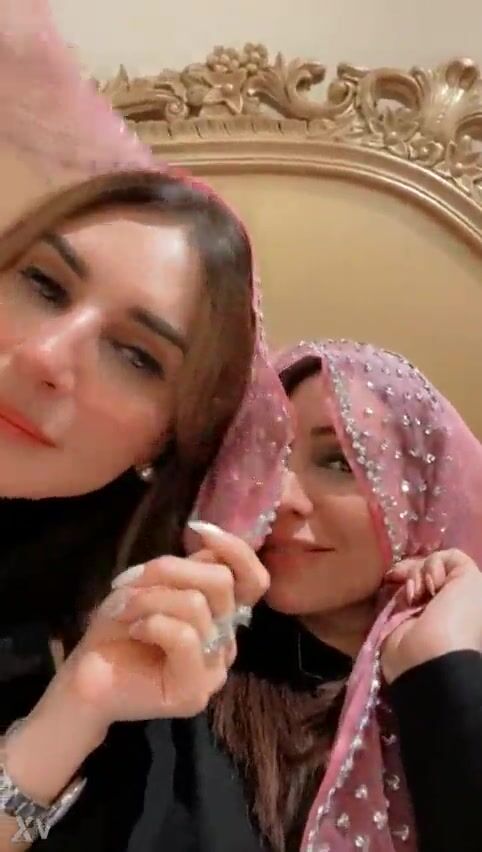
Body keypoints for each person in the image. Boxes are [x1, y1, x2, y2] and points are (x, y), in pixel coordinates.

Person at [0, 3, 290, 850]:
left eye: (135, 355)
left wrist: (71, 714)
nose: (48, 356)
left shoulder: (134, 709)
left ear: (163, 443)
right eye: (43, 285)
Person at [210, 339, 482, 852]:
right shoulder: (197, 676)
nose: (281, 497)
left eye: (339, 461)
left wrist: (440, 671)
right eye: (266, 457)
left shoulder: (462, 672)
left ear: (424, 494)